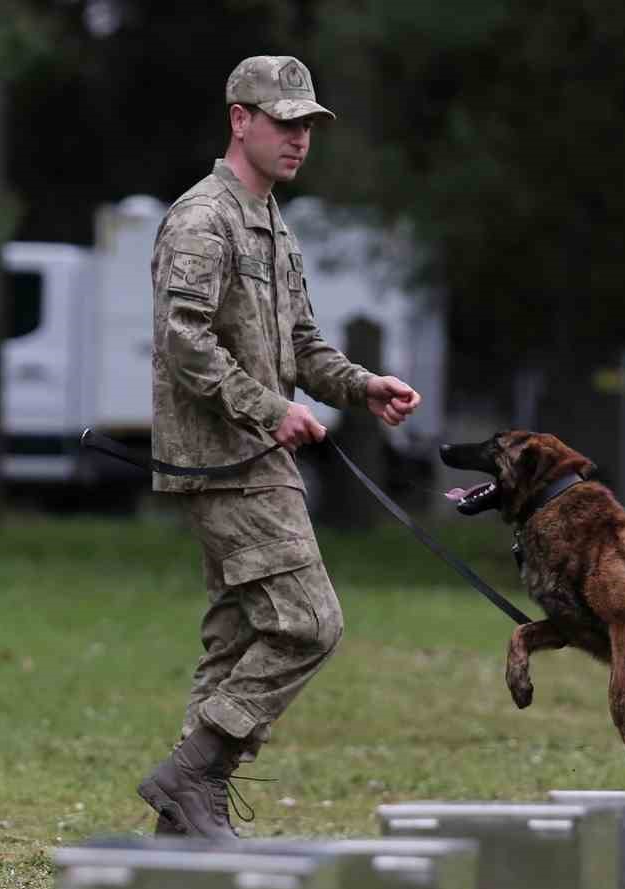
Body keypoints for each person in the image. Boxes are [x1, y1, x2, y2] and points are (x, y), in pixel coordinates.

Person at [138, 55, 422, 839]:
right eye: (284, 122)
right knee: (309, 622)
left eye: (307, 126)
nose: (299, 139)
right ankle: (190, 774)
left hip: (257, 457)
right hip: (225, 462)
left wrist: (363, 387)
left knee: (234, 642)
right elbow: (183, 343)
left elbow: (300, 344)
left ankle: (186, 825)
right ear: (240, 120)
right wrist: (271, 410)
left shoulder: (269, 221)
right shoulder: (203, 220)